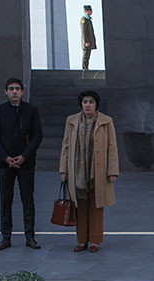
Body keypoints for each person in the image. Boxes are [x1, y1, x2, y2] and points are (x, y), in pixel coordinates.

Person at [59, 90, 119, 253]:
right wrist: (63, 169)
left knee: (96, 205)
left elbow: (112, 147)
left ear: (96, 104)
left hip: (97, 170)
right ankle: (81, 240)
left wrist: (112, 170)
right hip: (77, 170)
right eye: (85, 102)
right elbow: (65, 146)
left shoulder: (106, 121)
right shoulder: (71, 121)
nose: (88, 105)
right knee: (79, 205)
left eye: (91, 102)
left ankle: (95, 240)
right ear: (81, 104)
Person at [0, 77, 43, 251]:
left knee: (28, 199)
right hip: (5, 164)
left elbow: (37, 135)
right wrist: (5, 157)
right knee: (6, 200)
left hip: (25, 163)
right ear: (6, 91)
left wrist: (24, 156)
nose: (14, 92)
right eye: (11, 89)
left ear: (22, 92)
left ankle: (30, 237)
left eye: (17, 89)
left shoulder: (31, 110)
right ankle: (6, 237)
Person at [80, 5, 96, 71]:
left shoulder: (88, 19)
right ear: (86, 11)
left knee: (88, 56)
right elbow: (83, 31)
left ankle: (86, 68)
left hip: (89, 41)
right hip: (86, 42)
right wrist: (86, 41)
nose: (91, 12)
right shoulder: (84, 19)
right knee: (85, 55)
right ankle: (84, 68)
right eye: (90, 10)